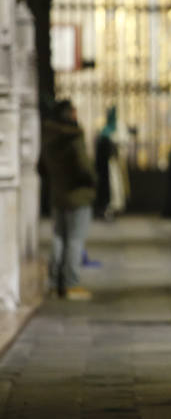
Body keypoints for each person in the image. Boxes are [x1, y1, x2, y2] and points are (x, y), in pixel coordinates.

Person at [41, 99, 96, 299]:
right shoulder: (74, 137)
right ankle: (71, 283)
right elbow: (83, 167)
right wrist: (92, 180)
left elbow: (41, 167)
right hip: (77, 194)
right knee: (74, 239)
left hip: (58, 193)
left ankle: (55, 282)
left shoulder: (47, 137)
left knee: (59, 238)